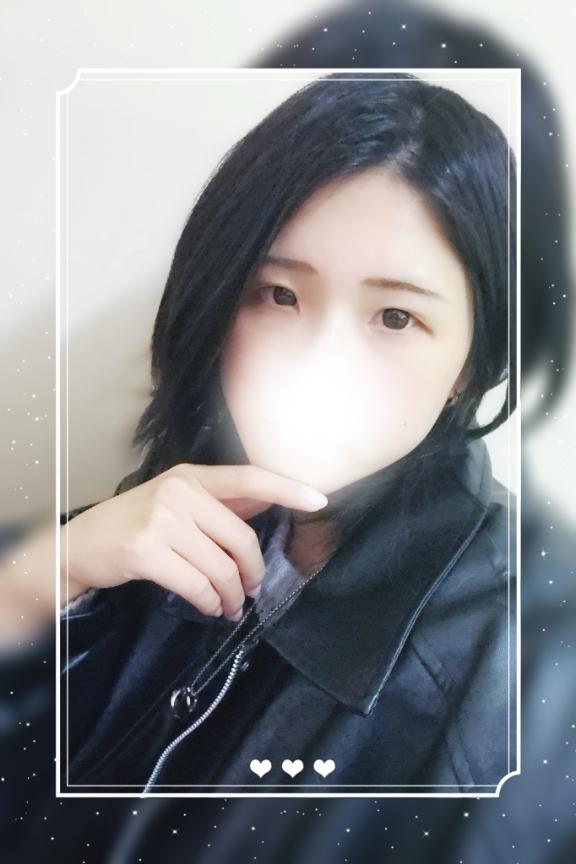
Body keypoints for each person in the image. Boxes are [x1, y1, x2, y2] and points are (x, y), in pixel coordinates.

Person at [55, 71, 517, 795]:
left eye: (396, 317)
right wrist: (54, 571)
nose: (318, 367)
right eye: (279, 295)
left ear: (469, 364)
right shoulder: (174, 492)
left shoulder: (518, 664)